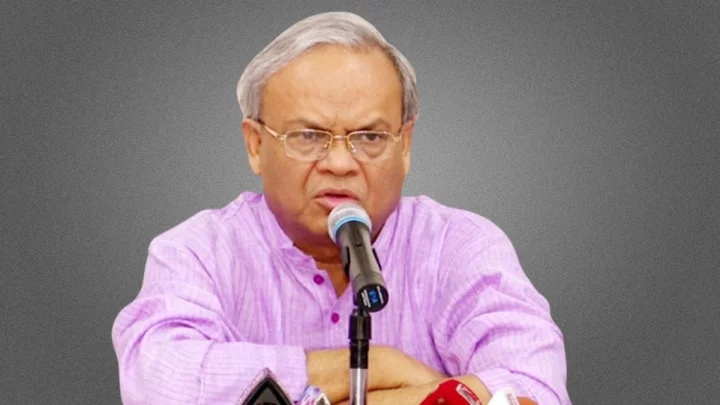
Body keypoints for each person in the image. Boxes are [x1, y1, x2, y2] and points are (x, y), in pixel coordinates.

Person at [111, 11, 571, 405]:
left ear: (405, 145)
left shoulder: (460, 247)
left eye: (369, 137)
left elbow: (534, 391)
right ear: (255, 145)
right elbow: (158, 382)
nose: (339, 163)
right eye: (309, 136)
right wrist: (378, 366)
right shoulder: (197, 252)